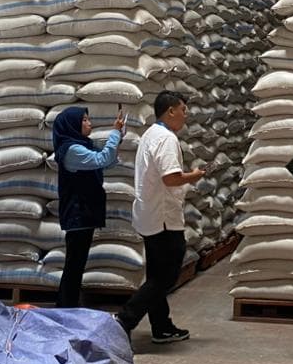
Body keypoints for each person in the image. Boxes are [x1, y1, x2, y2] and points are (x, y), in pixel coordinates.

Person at [116, 91, 204, 343]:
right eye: (183, 110)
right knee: (166, 276)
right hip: (163, 218)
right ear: (171, 111)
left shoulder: (150, 134)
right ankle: (124, 319)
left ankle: (161, 326)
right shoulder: (166, 138)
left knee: (156, 274)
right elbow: (171, 178)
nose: (186, 115)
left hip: (150, 214)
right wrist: (194, 175)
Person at [51, 104, 127, 308]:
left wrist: (117, 139)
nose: (89, 123)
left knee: (77, 263)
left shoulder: (83, 145)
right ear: (72, 125)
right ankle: (65, 306)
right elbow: (102, 159)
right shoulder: (72, 150)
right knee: (74, 264)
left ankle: (68, 304)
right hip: (78, 214)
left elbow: (106, 162)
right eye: (84, 120)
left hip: (84, 213)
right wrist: (114, 134)